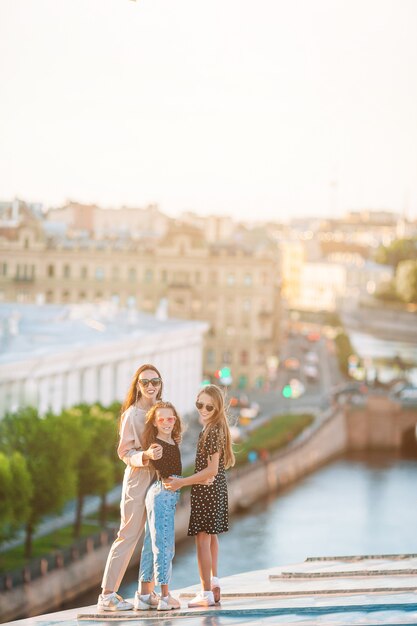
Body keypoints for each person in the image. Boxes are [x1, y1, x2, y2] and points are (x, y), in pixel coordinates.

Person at [97, 364, 164, 612]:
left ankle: (146, 594)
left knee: (155, 537)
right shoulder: (131, 414)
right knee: (128, 534)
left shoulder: (162, 410)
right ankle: (107, 595)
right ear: (137, 385)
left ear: (160, 383)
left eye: (154, 381)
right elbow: (124, 452)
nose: (150, 386)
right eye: (145, 382)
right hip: (138, 477)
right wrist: (145, 455)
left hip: (160, 478)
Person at [164, 384, 235, 608]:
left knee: (202, 541)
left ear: (218, 408)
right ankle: (213, 584)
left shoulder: (212, 431)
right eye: (199, 404)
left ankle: (205, 593)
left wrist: (182, 482)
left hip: (208, 492)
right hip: (215, 489)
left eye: (209, 406)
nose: (203, 409)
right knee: (211, 537)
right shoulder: (215, 428)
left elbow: (212, 469)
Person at [135, 401, 183, 611]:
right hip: (163, 494)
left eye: (170, 418)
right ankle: (164, 596)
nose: (166, 422)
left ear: (175, 420)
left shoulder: (172, 440)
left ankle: (144, 597)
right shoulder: (156, 446)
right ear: (154, 422)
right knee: (164, 546)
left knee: (150, 545)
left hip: (158, 494)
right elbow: (165, 471)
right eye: (161, 419)